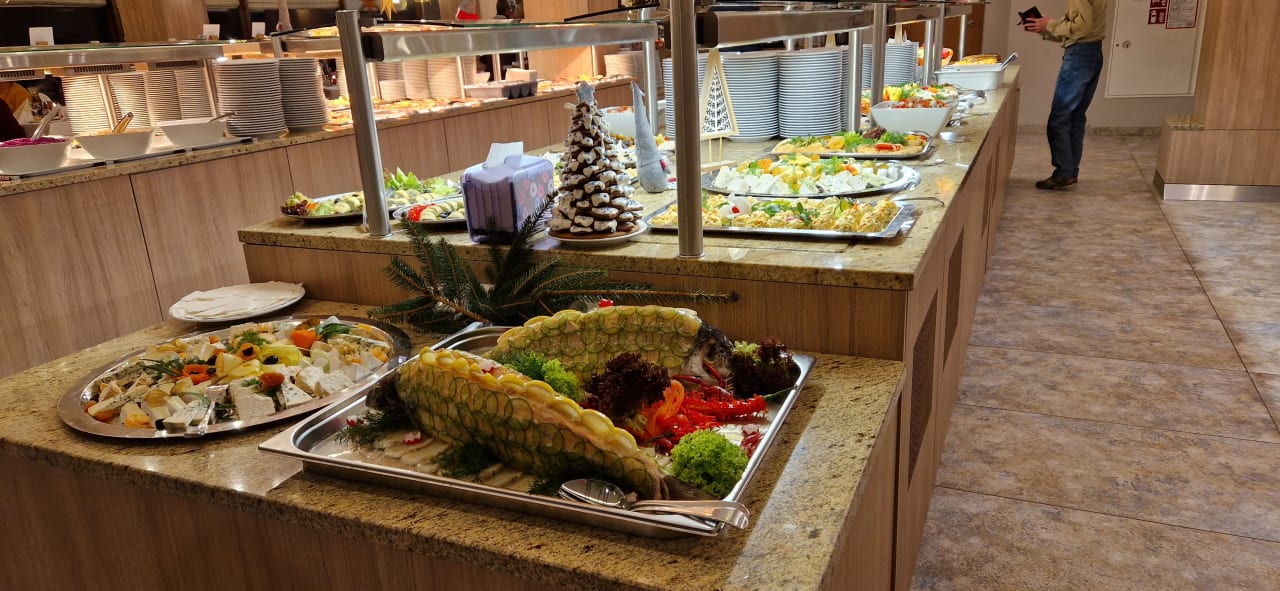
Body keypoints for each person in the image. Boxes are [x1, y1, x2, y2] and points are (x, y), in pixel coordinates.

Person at [1023, 0, 1107, 190]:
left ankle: (1064, 173)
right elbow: (1081, 29)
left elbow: (1082, 28)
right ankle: (1069, 171)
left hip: (1079, 55)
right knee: (1075, 117)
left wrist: (1049, 25)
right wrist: (1045, 28)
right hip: (1093, 52)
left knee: (1060, 118)